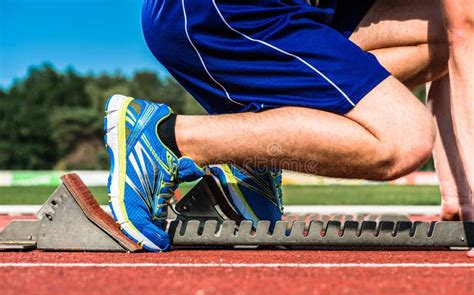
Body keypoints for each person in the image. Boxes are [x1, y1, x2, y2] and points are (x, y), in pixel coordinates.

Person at [104, 0, 472, 251]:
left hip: (286, 13)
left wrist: (460, 200)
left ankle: (246, 155)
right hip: (222, 14)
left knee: (436, 29)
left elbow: (457, 30)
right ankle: (168, 137)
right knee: (402, 139)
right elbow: (465, 28)